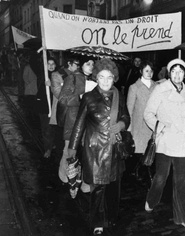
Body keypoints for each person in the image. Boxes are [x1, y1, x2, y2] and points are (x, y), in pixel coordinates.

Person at [67, 58, 130, 235]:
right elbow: (79, 124)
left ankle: (111, 218)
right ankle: (97, 223)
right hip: (95, 150)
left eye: (109, 77)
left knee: (113, 187)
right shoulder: (88, 97)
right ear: (96, 77)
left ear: (114, 78)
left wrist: (122, 125)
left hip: (114, 150)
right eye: (101, 77)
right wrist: (72, 149)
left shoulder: (119, 95)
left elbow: (126, 117)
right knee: (97, 189)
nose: (105, 81)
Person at [143, 58, 185, 231]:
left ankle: (181, 217)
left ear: (184, 74)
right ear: (169, 73)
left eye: (180, 72)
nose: (177, 75)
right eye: (174, 71)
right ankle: (152, 199)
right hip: (165, 140)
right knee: (161, 177)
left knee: (181, 181)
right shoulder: (160, 89)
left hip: (182, 141)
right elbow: (148, 113)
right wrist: (161, 128)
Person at [58, 56, 96, 185]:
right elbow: (63, 99)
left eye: (93, 64)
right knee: (69, 150)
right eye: (88, 63)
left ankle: (84, 182)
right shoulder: (72, 78)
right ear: (81, 65)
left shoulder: (96, 80)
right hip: (73, 120)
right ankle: (64, 178)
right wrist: (80, 97)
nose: (91, 66)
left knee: (87, 152)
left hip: (89, 121)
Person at [126, 60, 156, 180]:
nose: (149, 73)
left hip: (152, 123)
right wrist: (128, 128)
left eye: (151, 71)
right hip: (139, 124)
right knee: (140, 149)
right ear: (141, 71)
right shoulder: (134, 87)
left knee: (151, 149)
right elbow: (129, 108)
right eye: (146, 71)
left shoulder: (157, 86)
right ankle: (138, 171)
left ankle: (144, 172)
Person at [35, 57, 57, 158]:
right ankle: (47, 148)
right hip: (44, 108)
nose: (51, 66)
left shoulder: (57, 76)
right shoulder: (42, 75)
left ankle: (50, 145)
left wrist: (52, 84)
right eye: (49, 64)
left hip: (54, 107)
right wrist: (44, 84)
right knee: (46, 128)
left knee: (52, 128)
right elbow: (38, 91)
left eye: (53, 64)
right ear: (45, 65)